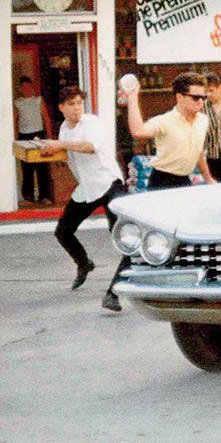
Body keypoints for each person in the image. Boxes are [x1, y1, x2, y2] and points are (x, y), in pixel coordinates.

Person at [39, 87, 126, 298]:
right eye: (71, 104)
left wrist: (60, 143)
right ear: (61, 108)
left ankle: (114, 292)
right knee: (63, 232)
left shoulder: (92, 123)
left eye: (79, 103)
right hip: (87, 187)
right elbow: (66, 150)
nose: (77, 108)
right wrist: (46, 146)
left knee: (124, 239)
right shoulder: (64, 129)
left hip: (109, 184)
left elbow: (90, 146)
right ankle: (84, 263)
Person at [123, 71, 216, 190]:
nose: (200, 102)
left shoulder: (203, 120)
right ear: (179, 97)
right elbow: (138, 132)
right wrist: (131, 97)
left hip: (184, 180)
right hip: (162, 181)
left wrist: (208, 178)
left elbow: (198, 151)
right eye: (195, 97)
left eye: (204, 98)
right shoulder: (164, 121)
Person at [14, 76, 53, 205]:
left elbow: (46, 118)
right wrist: (15, 139)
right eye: (24, 87)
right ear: (20, 89)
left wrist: (50, 137)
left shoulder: (38, 100)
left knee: (42, 167)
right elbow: (15, 121)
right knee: (27, 168)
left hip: (39, 135)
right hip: (23, 136)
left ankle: (45, 196)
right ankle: (28, 196)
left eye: (29, 86)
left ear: (32, 87)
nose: (27, 89)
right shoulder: (17, 103)